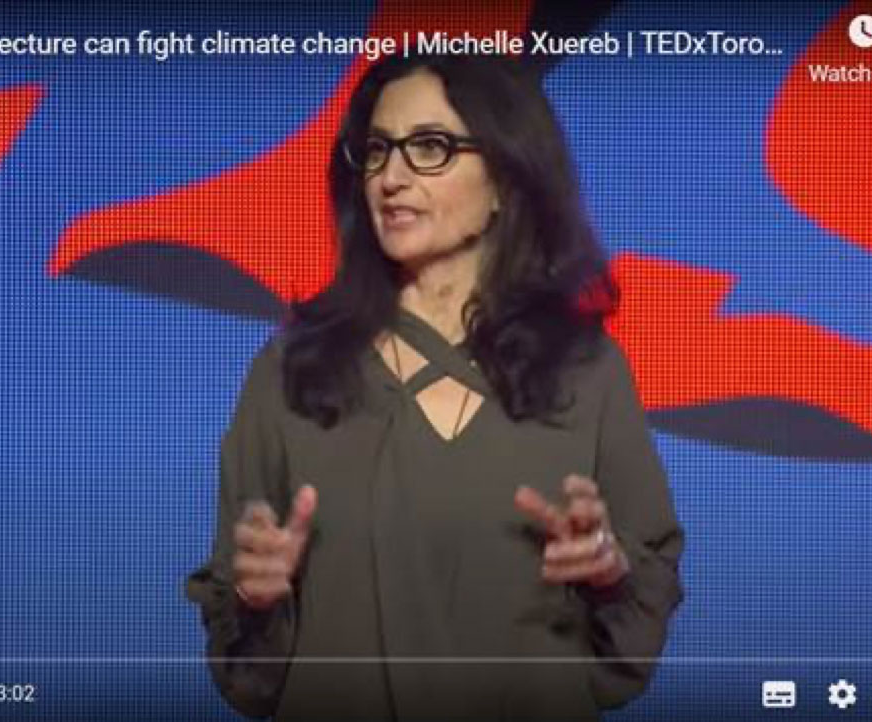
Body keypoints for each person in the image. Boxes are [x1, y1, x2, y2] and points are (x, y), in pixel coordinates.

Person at [187, 53, 684, 721]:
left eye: (430, 147)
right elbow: (247, 680)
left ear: (507, 175)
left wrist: (608, 573)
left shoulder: (585, 370)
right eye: (376, 150)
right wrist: (257, 599)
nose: (391, 178)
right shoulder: (293, 371)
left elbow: (628, 658)